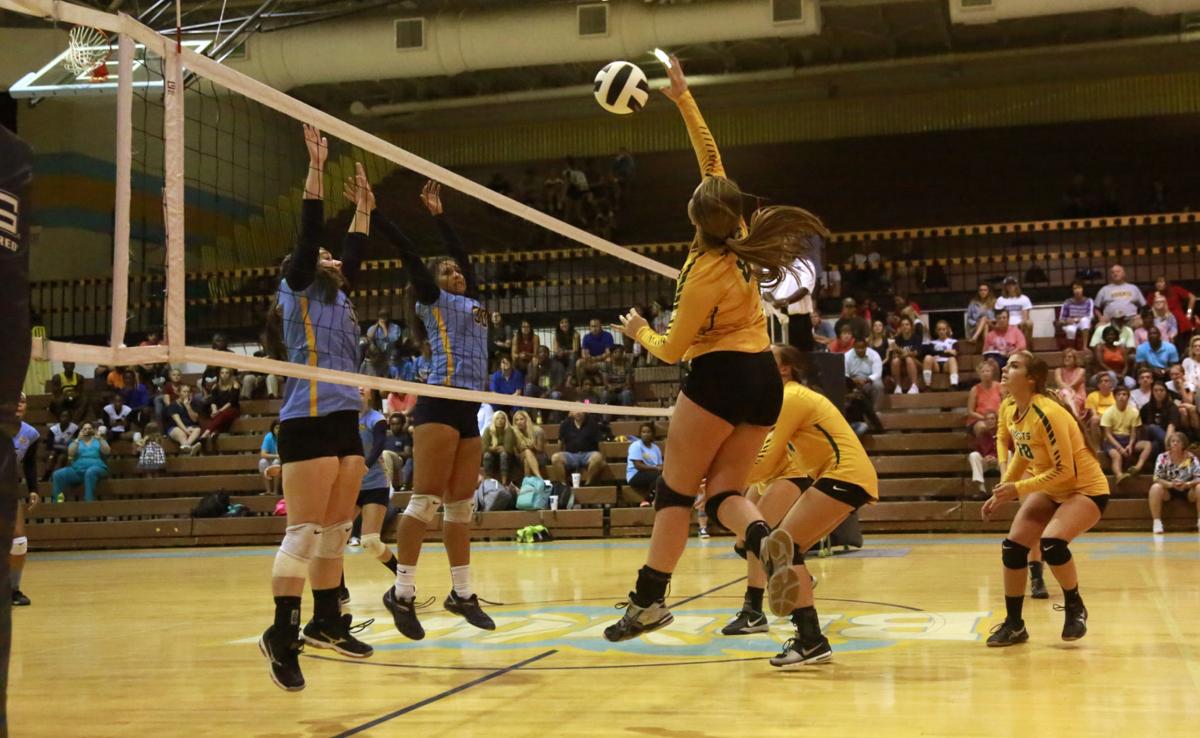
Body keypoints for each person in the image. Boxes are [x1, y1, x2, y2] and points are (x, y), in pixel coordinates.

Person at [603, 54, 827, 643]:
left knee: (675, 491)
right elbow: (712, 161)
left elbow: (673, 351)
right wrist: (681, 97)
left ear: (693, 215)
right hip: (763, 379)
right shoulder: (742, 235)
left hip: (721, 376)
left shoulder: (704, 269)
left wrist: (638, 332)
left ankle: (648, 602)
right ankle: (773, 558)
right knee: (724, 495)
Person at [257, 127, 373, 693]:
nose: (330, 257)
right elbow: (309, 238)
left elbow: (352, 252)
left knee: (336, 529)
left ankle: (329, 621)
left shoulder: (338, 293)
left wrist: (364, 212)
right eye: (321, 255)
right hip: (306, 415)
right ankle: (281, 634)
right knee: (303, 530)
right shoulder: (298, 283)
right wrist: (317, 170)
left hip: (344, 413)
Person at [371, 178, 496, 641]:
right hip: (440, 399)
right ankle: (401, 593)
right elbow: (407, 254)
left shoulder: (473, 300)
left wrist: (440, 214)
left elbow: (463, 256)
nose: (456, 274)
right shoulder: (433, 300)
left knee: (460, 507)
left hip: (468, 406)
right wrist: (377, 213)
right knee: (425, 501)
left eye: (457, 272)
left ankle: (461, 593)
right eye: (447, 272)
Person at [747, 344, 879, 667]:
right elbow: (769, 462)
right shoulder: (783, 401)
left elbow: (764, 462)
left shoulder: (791, 398)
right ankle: (811, 639)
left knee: (783, 546)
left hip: (844, 475)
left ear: (784, 369)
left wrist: (724, 477)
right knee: (785, 548)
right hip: (838, 475)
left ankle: (809, 635)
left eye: (767, 359)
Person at [982, 351, 1108, 647]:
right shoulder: (1011, 407)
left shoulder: (1047, 413)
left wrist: (1019, 489)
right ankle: (1014, 625)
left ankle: (1074, 605)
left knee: (1052, 543)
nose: (1004, 368)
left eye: (1013, 366)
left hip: (1085, 489)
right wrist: (1005, 488)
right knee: (1013, 548)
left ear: (1031, 379)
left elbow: (1065, 472)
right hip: (1050, 488)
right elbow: (1023, 455)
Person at [353, 389, 401, 587]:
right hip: (349, 486)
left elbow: (378, 445)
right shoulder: (343, 420)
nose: (359, 389)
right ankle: (338, 591)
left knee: (370, 541)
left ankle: (403, 578)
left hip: (374, 484)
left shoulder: (376, 419)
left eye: (363, 388)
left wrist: (364, 465)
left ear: (371, 395)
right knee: (333, 539)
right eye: (356, 387)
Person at [10, 394, 39, 607]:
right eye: (15, 400)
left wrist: (33, 490)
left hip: (9, 488)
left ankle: (13, 590)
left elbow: (29, 463)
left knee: (19, 541)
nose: (19, 405)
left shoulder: (30, 433)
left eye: (23, 401)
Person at [1148, 431, 1200, 534]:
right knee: (1155, 488)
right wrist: (1171, 484)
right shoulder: (1162, 457)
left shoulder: (1191, 458)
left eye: (1178, 441)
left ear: (1184, 444)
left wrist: (1188, 484)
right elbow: (1157, 477)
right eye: (1173, 441)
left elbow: (1199, 477)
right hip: (1169, 488)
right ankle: (1157, 522)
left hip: (1188, 489)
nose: (1175, 443)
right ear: (1169, 444)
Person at [767, 249, 818, 352]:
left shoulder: (805, 264)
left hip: (799, 320)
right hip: (775, 319)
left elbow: (805, 288)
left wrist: (786, 301)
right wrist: (773, 302)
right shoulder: (771, 265)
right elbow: (765, 289)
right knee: (778, 355)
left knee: (802, 356)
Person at [1101, 386, 1153, 485]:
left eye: (1124, 394)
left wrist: (1130, 444)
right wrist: (1120, 448)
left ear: (1128, 397)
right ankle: (1119, 475)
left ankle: (1137, 467)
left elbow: (1134, 432)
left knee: (1147, 445)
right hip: (1113, 439)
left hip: (1128, 438)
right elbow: (1107, 434)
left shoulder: (1133, 412)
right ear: (1115, 397)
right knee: (1117, 456)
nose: (1121, 397)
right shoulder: (1108, 412)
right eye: (1119, 394)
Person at [50, 421, 110, 503]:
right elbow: (70, 453)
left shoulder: (98, 440)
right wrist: (78, 439)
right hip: (78, 470)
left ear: (93, 430)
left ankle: (88, 502)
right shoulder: (76, 442)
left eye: (90, 429)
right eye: (84, 429)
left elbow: (107, 451)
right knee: (57, 475)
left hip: (97, 469)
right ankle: (58, 501)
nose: (87, 431)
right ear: (80, 431)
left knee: (90, 472)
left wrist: (100, 439)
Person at [551, 410, 606, 486]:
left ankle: (588, 484)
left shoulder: (592, 423)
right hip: (571, 455)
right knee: (555, 457)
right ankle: (563, 485)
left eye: (580, 410)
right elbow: (560, 441)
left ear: (584, 412)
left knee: (598, 457)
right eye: (575, 410)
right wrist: (559, 452)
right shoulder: (565, 424)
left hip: (587, 455)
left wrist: (603, 458)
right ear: (571, 412)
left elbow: (600, 442)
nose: (578, 412)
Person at [1147, 276, 1196, 352]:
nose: (1159, 284)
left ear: (1166, 283)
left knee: (1183, 346)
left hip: (1180, 322)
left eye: (1161, 282)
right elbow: (1150, 309)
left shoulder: (1175, 289)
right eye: (1157, 282)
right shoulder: (1152, 295)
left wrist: (1189, 313)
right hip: (1162, 323)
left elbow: (1192, 297)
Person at [199, 367, 241, 452]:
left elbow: (232, 402)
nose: (224, 375)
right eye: (222, 373)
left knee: (221, 414)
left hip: (232, 409)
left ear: (230, 374)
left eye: (226, 373)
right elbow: (213, 401)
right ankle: (213, 435)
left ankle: (205, 435)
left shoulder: (235, 385)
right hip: (220, 412)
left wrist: (220, 411)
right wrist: (214, 410)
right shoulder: (216, 386)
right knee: (217, 416)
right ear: (219, 374)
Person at [624, 423, 664, 506]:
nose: (646, 434)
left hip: (651, 474)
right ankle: (648, 499)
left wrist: (660, 468)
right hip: (635, 474)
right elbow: (638, 466)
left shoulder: (656, 448)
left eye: (648, 432)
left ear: (653, 434)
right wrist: (656, 468)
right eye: (643, 432)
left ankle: (652, 500)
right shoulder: (635, 446)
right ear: (640, 434)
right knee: (658, 476)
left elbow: (660, 465)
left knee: (665, 476)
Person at [1139, 380, 1180, 457]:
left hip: (1166, 436)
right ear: (1152, 392)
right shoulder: (1146, 407)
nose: (1158, 393)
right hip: (1149, 436)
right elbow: (1140, 426)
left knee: (1155, 446)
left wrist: (1168, 444)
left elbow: (1171, 427)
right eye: (1156, 390)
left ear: (1166, 392)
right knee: (1152, 427)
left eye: (1161, 390)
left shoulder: (1172, 407)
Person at [966, 359, 1002, 437]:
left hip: (997, 418)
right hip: (980, 419)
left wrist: (996, 418)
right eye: (983, 371)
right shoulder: (975, 389)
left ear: (992, 373)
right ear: (979, 374)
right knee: (982, 427)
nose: (985, 374)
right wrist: (985, 418)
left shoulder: (1000, 387)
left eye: (987, 371)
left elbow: (1006, 405)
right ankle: (983, 448)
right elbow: (970, 411)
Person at [844, 337, 884, 409]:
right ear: (853, 347)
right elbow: (844, 374)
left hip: (868, 382)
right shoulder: (847, 356)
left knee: (878, 384)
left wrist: (866, 380)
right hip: (852, 382)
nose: (860, 350)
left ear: (866, 347)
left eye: (862, 348)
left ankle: (876, 411)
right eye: (857, 348)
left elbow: (877, 374)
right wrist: (854, 380)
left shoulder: (874, 355)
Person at [481, 411, 518, 485]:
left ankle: (504, 482)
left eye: (502, 419)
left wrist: (492, 448)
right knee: (487, 455)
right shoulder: (488, 430)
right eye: (497, 418)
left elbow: (508, 449)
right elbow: (484, 448)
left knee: (503, 454)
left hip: (509, 458)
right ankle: (488, 480)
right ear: (494, 420)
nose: (500, 420)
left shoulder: (509, 430)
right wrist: (495, 448)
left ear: (505, 420)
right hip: (493, 457)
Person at [969, 411, 1000, 496]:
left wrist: (996, 458)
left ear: (997, 420)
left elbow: (1010, 449)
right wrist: (985, 458)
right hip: (986, 462)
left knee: (1008, 453)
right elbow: (977, 449)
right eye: (987, 419)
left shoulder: (1003, 432)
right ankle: (981, 489)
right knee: (973, 455)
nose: (990, 421)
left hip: (1000, 462)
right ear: (984, 422)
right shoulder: (981, 434)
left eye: (992, 419)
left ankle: (1006, 487)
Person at [165, 384, 203, 456]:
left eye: (188, 392)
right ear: (179, 393)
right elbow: (177, 421)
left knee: (197, 429)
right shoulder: (173, 405)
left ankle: (187, 447)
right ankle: (191, 449)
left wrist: (187, 406)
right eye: (184, 391)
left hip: (190, 426)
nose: (186, 394)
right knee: (182, 434)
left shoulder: (194, 403)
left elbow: (194, 420)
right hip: (175, 427)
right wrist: (186, 431)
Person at [889, 316, 923, 394]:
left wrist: (900, 351)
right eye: (903, 325)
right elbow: (895, 354)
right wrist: (896, 353)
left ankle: (914, 386)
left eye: (907, 324)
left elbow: (915, 353)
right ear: (900, 327)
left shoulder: (916, 337)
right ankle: (898, 386)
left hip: (916, 363)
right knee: (895, 361)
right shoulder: (897, 338)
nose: (905, 327)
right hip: (902, 363)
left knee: (908, 358)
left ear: (911, 326)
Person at [922, 319, 960, 389]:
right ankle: (927, 385)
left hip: (947, 364)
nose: (941, 331)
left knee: (952, 359)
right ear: (936, 331)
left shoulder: (953, 341)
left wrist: (938, 352)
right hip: (936, 364)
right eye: (939, 329)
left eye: (943, 329)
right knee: (927, 357)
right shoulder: (933, 343)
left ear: (947, 330)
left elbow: (955, 353)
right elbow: (930, 353)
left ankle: (954, 385)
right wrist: (947, 351)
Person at [511, 410, 547, 480]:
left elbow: (541, 450)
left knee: (527, 459)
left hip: (538, 456)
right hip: (519, 457)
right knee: (527, 452)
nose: (519, 422)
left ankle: (526, 482)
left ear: (527, 420)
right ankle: (539, 477)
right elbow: (516, 453)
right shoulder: (513, 432)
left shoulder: (537, 431)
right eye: (516, 420)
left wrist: (533, 447)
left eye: (521, 419)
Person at [995, 277, 1034, 343]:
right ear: (1005, 287)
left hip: (1019, 322)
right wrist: (1007, 324)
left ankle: (1026, 345)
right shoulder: (1001, 299)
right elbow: (999, 315)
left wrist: (1020, 324)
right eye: (1008, 285)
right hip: (1005, 321)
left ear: (1016, 286)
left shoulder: (1024, 298)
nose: (1010, 286)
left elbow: (1025, 316)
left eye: (1012, 284)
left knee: (1029, 323)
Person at [1057, 280, 1094, 348]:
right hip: (1071, 323)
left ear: (1083, 289)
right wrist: (1067, 321)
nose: (1077, 290)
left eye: (1079, 288)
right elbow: (1061, 319)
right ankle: (1071, 349)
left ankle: (1085, 346)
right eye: (1075, 288)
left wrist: (1079, 319)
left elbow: (1090, 316)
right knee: (1071, 329)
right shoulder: (1067, 302)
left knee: (1085, 320)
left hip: (1083, 322)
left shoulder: (1089, 301)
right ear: (1072, 290)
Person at [44, 410, 77, 479]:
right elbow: (49, 445)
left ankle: (56, 477)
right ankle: (46, 476)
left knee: (61, 458)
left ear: (70, 418)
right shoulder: (54, 429)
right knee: (51, 457)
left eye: (67, 416)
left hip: (68, 451)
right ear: (59, 418)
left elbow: (77, 442)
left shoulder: (75, 428)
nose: (64, 418)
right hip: (55, 450)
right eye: (63, 416)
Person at [1055, 348, 1087, 418]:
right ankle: (1075, 417)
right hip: (1063, 395)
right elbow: (1060, 383)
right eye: (1065, 357)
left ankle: (1074, 417)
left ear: (1075, 359)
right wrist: (1067, 391)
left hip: (1077, 395)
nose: (1067, 358)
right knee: (1065, 393)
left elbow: (1073, 384)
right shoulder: (1058, 370)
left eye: (1069, 357)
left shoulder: (1081, 371)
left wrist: (1068, 391)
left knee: (1066, 394)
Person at [260, 420, 282, 495]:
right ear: (272, 429)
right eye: (276, 428)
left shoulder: (285, 437)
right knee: (262, 462)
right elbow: (263, 454)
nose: (278, 430)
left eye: (280, 428)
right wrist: (276, 456)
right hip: (272, 458)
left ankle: (275, 491)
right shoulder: (269, 437)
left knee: (276, 462)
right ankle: (268, 490)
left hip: (282, 461)